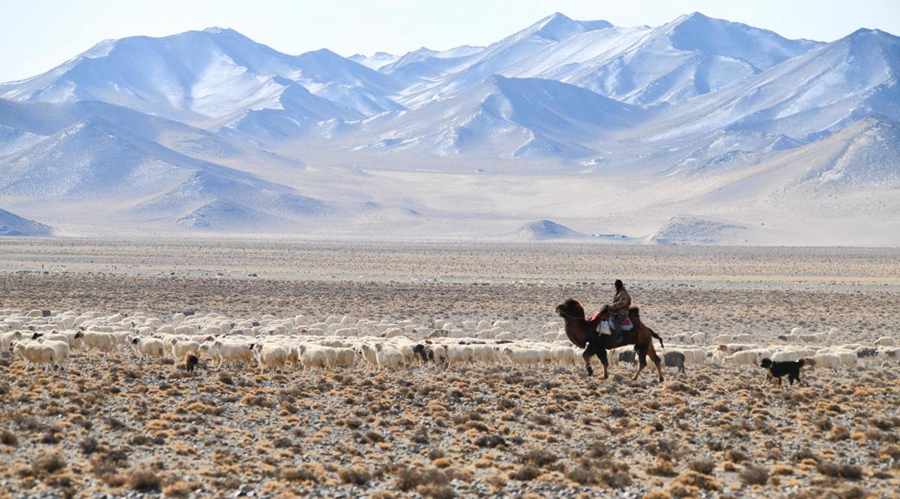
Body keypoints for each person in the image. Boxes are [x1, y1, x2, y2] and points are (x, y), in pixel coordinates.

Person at [609, 279, 631, 345]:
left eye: (615, 286)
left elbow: (622, 303)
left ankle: (620, 337)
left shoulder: (623, 293)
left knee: (616, 322)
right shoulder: (619, 293)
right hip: (616, 312)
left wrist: (613, 306)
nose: (615, 287)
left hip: (622, 313)